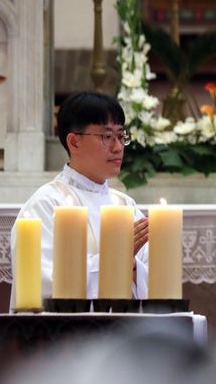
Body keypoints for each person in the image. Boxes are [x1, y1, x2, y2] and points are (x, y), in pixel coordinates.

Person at [9, 92, 149, 310]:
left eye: (121, 136)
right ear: (74, 142)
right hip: (69, 338)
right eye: (107, 136)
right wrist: (115, 257)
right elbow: (44, 286)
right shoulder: (46, 205)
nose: (118, 147)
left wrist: (131, 266)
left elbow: (159, 286)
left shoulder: (126, 206)